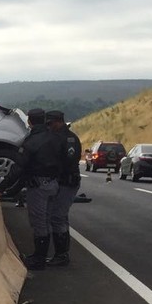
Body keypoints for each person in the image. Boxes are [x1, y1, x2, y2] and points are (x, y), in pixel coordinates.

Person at [16, 108, 66, 270]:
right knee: (47, 220)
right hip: (53, 184)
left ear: (29, 121)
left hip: (38, 185)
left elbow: (20, 167)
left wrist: (2, 188)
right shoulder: (56, 138)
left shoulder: (32, 140)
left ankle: (39, 258)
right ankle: (44, 255)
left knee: (39, 222)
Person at [46, 110, 82, 266]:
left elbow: (69, 161)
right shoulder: (57, 137)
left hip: (67, 182)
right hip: (60, 182)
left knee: (58, 217)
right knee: (59, 217)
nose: (49, 127)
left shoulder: (69, 139)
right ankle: (61, 253)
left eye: (50, 123)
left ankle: (62, 255)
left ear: (58, 122)